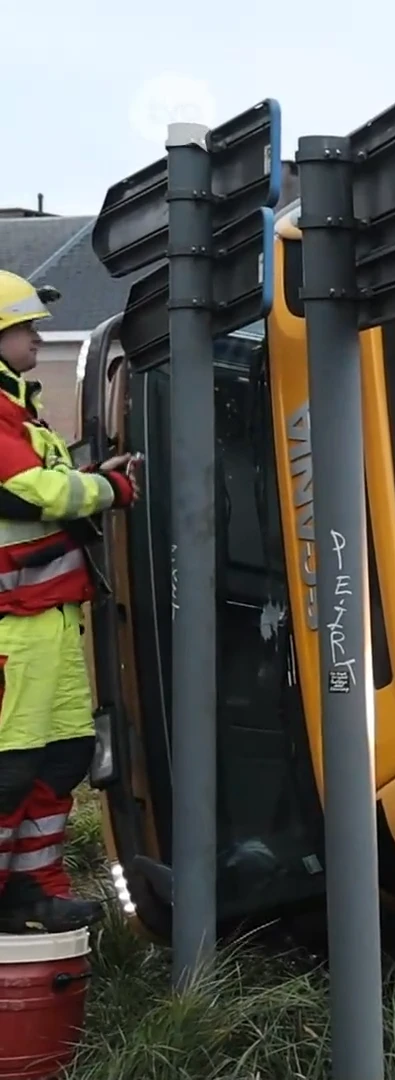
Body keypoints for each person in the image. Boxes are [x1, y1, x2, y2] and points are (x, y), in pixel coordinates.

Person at [0, 271, 140, 934]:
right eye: (25, 326)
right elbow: (39, 496)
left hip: (48, 622)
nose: (37, 337)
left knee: (62, 761)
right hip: (12, 632)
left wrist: (88, 479)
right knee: (8, 773)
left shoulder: (20, 412)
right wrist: (106, 493)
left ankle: (32, 892)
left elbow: (50, 486)